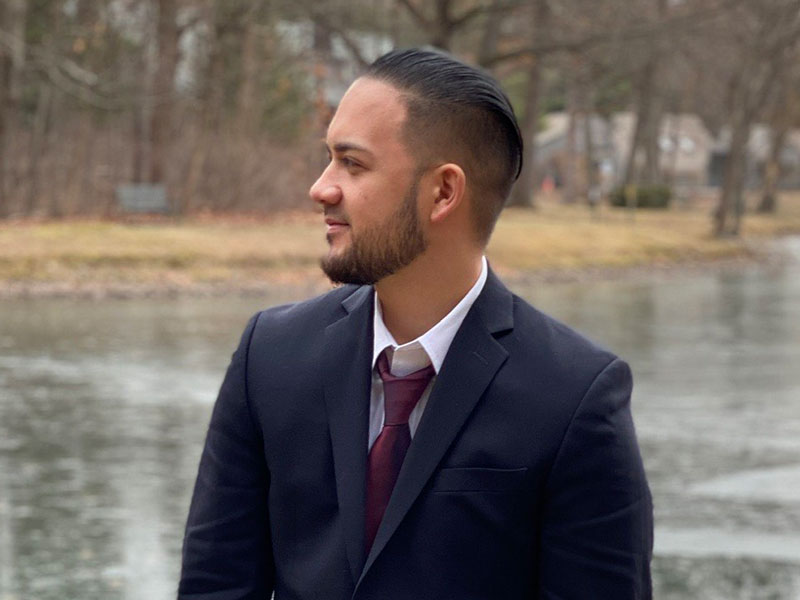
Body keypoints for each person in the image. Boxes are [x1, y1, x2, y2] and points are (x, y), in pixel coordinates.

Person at [178, 48, 653, 600]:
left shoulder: (576, 396)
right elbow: (214, 588)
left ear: (444, 192)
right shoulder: (269, 356)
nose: (321, 188)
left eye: (352, 163)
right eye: (329, 158)